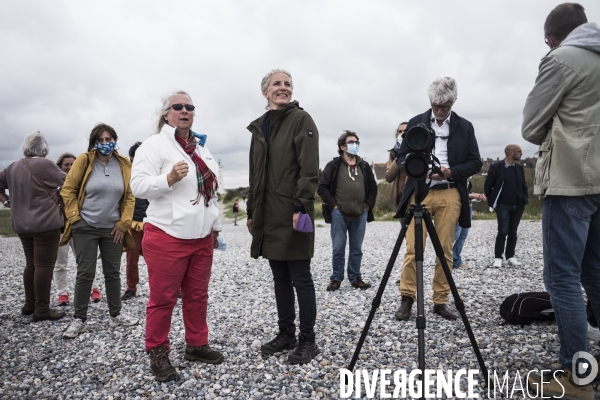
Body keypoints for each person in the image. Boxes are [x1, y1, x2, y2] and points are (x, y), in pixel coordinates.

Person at [522, 4, 600, 398]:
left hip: (570, 180)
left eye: (546, 40)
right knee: (596, 272)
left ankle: (576, 375)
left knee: (562, 278)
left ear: (554, 35)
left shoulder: (561, 59)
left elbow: (532, 126)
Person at [131, 90, 223, 382]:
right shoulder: (154, 145)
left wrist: (215, 226)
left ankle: (196, 345)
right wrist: (167, 179)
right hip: (167, 235)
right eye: (178, 106)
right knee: (163, 298)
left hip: (201, 237)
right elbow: (138, 186)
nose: (185, 110)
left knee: (197, 295)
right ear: (166, 114)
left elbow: (212, 194)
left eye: (189, 106)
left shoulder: (200, 148)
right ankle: (158, 351)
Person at [246, 69, 320, 365]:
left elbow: (309, 168)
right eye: (277, 84)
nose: (283, 88)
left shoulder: (301, 120)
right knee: (280, 278)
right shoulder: (259, 127)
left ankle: (308, 340)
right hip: (267, 214)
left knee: (301, 277)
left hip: (292, 211)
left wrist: (301, 206)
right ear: (265, 91)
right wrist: (252, 211)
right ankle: (286, 333)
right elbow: (255, 174)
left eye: (287, 84)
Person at [394, 77, 482, 321]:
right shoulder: (415, 123)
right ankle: (407, 299)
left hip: (450, 192)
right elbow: (401, 157)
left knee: (445, 249)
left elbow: (476, 162)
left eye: (444, 106)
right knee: (413, 248)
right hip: (419, 192)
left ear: (453, 101)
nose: (439, 110)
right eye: (435, 105)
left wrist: (451, 171)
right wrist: (415, 168)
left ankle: (440, 300)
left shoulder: (465, 127)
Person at [61, 123, 139, 339]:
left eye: (109, 139)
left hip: (113, 228)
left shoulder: (123, 164)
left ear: (115, 140)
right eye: (101, 140)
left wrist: (123, 223)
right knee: (85, 273)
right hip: (85, 226)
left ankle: (116, 315)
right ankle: (79, 319)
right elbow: (68, 190)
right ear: (94, 142)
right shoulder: (84, 160)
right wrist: (75, 218)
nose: (105, 144)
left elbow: (130, 196)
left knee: (112, 272)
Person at [0, 132, 66, 321]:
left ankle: (30, 304)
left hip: (22, 224)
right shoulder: (45, 164)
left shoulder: (13, 166)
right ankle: (42, 309)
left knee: (31, 264)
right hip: (45, 223)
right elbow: (68, 182)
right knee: (44, 265)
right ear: (44, 149)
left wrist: (6, 202)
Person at [318, 130, 377, 291]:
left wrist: (367, 206)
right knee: (338, 247)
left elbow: (373, 187)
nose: (355, 145)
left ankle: (355, 278)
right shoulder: (334, 165)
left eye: (357, 143)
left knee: (356, 248)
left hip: (360, 213)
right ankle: (336, 279)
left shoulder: (364, 166)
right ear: (342, 146)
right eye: (351, 142)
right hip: (339, 213)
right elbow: (322, 187)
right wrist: (333, 206)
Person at [53, 152, 101, 306]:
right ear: (59, 167)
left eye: (73, 164)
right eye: (66, 164)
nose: (70, 167)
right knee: (60, 263)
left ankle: (93, 289)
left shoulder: (84, 182)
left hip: (79, 227)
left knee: (85, 261)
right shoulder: (53, 185)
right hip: (60, 227)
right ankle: (63, 293)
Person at [484, 145, 528, 268]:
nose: (521, 153)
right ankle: (498, 257)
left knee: (513, 232)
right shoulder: (496, 167)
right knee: (502, 231)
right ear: (510, 152)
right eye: (519, 151)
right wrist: (492, 200)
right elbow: (488, 186)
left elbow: (524, 186)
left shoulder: (519, 168)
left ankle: (510, 257)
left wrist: (524, 199)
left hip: (518, 205)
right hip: (502, 205)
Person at [121, 142, 149, 300]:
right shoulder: (125, 174)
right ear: (132, 157)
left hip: (154, 221)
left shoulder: (153, 172)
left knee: (158, 258)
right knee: (132, 259)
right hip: (133, 222)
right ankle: (131, 287)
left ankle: (166, 287)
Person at [452, 179, 486, 269]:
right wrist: (472, 195)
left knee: (463, 235)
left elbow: (465, 191)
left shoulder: (467, 176)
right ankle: (443, 259)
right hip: (456, 206)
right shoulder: (454, 173)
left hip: (467, 206)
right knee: (455, 235)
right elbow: (454, 194)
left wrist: (474, 195)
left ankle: (456, 259)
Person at [386, 122, 408, 207]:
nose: (402, 134)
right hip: (400, 200)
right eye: (400, 131)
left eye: (405, 131)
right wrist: (400, 156)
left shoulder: (418, 150)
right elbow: (388, 177)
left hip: (414, 199)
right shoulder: (393, 153)